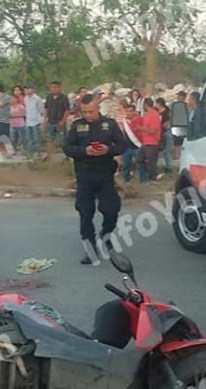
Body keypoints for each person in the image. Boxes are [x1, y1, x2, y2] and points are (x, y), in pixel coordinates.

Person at [63, 94, 128, 265]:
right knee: (85, 213)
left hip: (105, 175)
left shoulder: (110, 124)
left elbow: (122, 145)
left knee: (112, 209)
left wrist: (108, 149)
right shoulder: (77, 126)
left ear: (98, 108)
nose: (88, 115)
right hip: (84, 175)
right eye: (84, 112)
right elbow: (67, 148)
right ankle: (90, 248)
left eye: (91, 111)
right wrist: (84, 151)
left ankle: (106, 235)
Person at [118, 102, 146, 183]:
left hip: (138, 146)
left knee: (140, 164)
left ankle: (143, 181)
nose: (128, 113)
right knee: (126, 165)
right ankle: (126, 180)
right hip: (126, 147)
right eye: (127, 111)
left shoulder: (140, 120)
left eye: (130, 111)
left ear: (134, 112)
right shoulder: (123, 122)